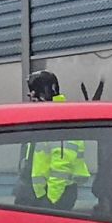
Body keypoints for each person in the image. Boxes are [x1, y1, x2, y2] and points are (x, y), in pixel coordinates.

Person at [18, 70, 91, 209]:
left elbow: (61, 166)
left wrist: (51, 202)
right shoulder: (44, 117)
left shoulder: (59, 119)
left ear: (44, 94)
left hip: (54, 195)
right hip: (39, 193)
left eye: (34, 96)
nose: (32, 100)